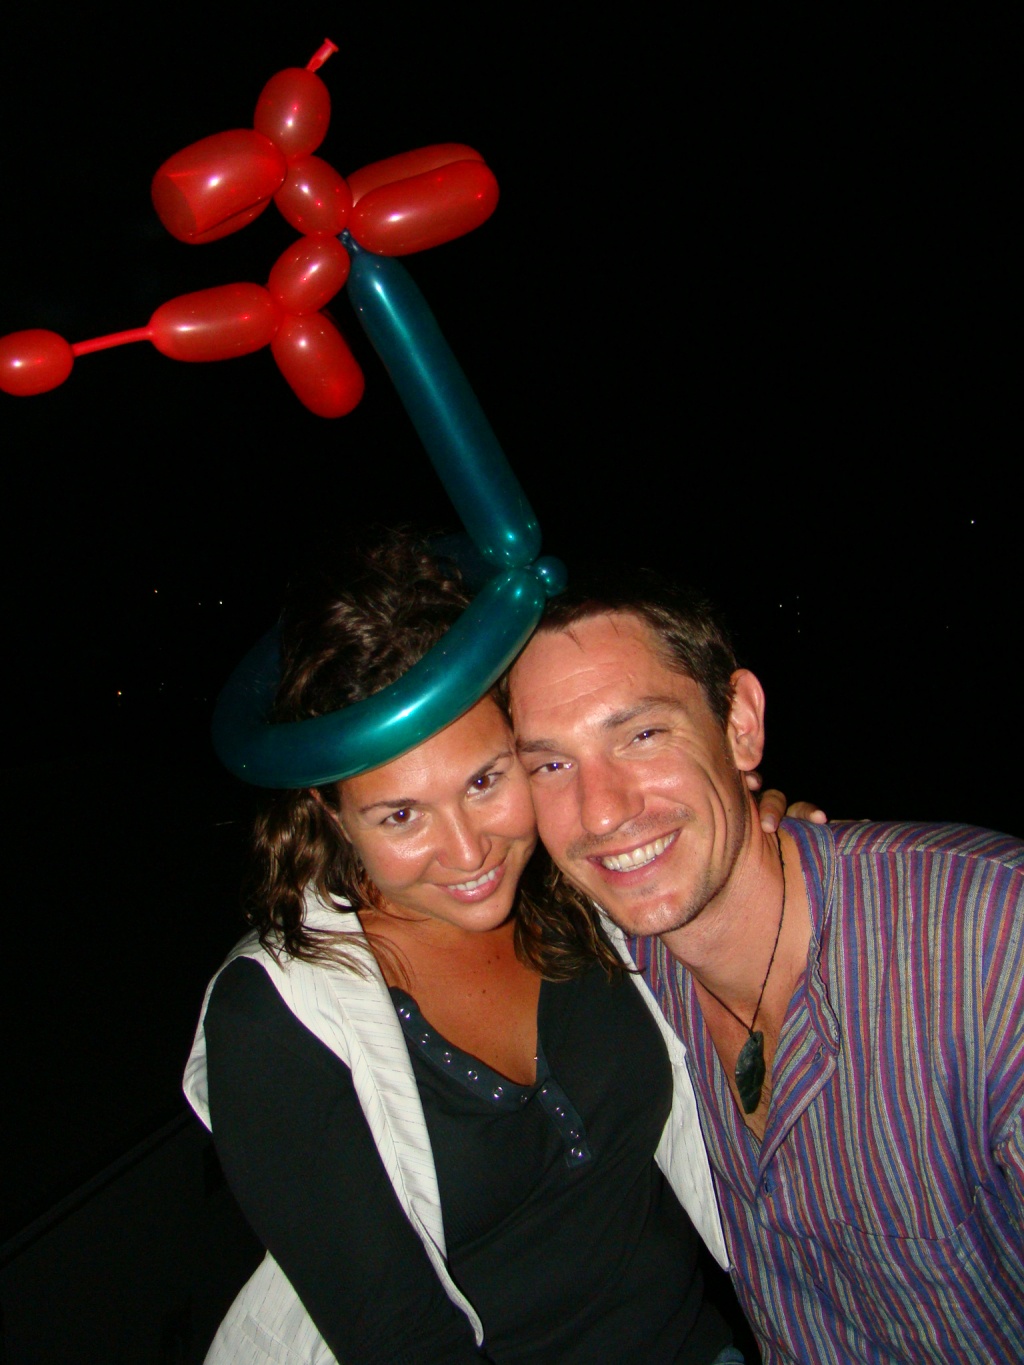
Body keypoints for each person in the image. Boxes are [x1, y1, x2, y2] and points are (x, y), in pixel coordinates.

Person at [186, 534, 802, 1364]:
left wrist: (761, 850)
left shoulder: (588, 894)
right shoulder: (274, 1015)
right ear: (332, 814)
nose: (469, 850)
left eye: (484, 780)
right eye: (401, 814)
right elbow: (402, 1338)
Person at [507, 568, 1024, 1365]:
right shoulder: (618, 976)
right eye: (550, 765)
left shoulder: (987, 940)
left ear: (740, 725)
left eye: (642, 735)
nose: (602, 810)